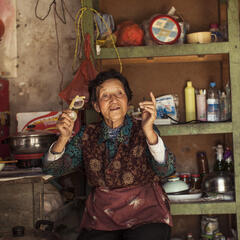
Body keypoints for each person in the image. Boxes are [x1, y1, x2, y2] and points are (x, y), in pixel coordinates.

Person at [43, 69, 176, 240]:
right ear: (97, 106)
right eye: (105, 95)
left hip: (146, 214)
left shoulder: (144, 129)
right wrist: (63, 138)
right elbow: (52, 169)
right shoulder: (87, 134)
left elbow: (166, 170)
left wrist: (149, 130)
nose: (113, 99)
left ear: (127, 101)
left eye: (119, 93)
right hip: (102, 218)